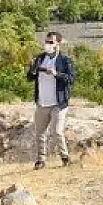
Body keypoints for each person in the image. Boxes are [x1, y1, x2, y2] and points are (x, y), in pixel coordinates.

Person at [26, 31, 76, 169]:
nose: (47, 45)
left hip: (58, 103)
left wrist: (56, 74)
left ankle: (65, 157)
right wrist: (32, 70)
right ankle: (41, 160)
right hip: (42, 103)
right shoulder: (40, 59)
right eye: (46, 42)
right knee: (39, 133)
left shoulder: (65, 60)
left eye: (51, 42)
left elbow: (71, 79)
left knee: (57, 132)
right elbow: (30, 77)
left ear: (58, 44)